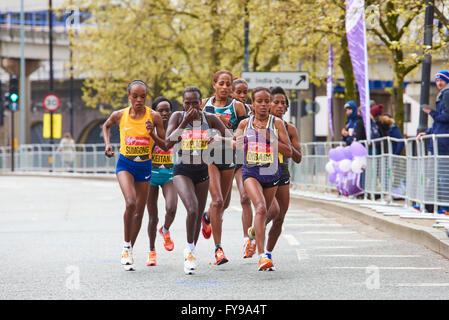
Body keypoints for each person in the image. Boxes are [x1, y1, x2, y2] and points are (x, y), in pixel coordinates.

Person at [102, 79, 167, 271]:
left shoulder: (153, 116)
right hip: (125, 164)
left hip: (145, 166)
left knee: (140, 211)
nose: (139, 100)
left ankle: (130, 249)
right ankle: (125, 245)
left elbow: (164, 145)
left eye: (143, 96)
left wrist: (152, 134)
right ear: (129, 96)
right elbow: (106, 126)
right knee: (130, 202)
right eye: (135, 96)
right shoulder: (120, 115)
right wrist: (107, 144)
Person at [165, 86, 229, 275]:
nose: (191, 106)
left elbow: (230, 137)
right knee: (192, 208)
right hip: (182, 170)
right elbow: (168, 142)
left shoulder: (209, 119)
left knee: (198, 212)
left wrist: (216, 139)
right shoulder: (177, 117)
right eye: (187, 103)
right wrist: (184, 121)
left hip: (202, 170)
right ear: (182, 104)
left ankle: (191, 249)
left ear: (201, 103)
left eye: (195, 103)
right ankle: (189, 251)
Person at [234, 86, 292, 271]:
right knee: (259, 207)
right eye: (260, 101)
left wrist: (269, 137)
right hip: (251, 172)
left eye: (267, 101)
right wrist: (229, 141)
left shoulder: (276, 124)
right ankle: (262, 256)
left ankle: (253, 234)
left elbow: (289, 151)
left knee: (268, 212)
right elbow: (236, 142)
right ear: (252, 104)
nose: (264, 105)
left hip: (272, 173)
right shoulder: (245, 124)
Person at [200, 70, 247, 265]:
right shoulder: (204, 104)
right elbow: (196, 127)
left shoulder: (238, 107)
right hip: (209, 156)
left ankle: (207, 216)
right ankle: (218, 249)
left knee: (225, 204)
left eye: (229, 84)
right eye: (222, 83)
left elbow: (245, 127)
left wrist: (235, 138)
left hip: (230, 157)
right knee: (217, 201)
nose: (225, 87)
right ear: (214, 85)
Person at [263, 86, 302, 270]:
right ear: (268, 105)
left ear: (286, 108)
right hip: (262, 172)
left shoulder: (290, 128)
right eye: (275, 102)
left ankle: (268, 254)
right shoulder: (258, 124)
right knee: (271, 211)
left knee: (280, 217)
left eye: (283, 103)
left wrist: (280, 144)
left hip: (283, 172)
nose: (279, 106)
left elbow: (298, 158)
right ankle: (256, 235)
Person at [145, 96, 178, 267]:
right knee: (152, 217)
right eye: (160, 111)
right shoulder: (150, 130)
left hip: (169, 175)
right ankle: (152, 251)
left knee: (171, 208)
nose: (164, 113)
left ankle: (165, 230)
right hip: (151, 175)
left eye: (167, 110)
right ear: (155, 113)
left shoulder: (176, 130)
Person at [417, 70, 449, 213]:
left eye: (441, 80)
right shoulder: (443, 94)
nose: (439, 83)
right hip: (439, 140)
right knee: (435, 175)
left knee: (442, 176)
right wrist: (428, 132)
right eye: (437, 80)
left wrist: (431, 113)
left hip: (443, 142)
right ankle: (430, 205)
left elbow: (445, 118)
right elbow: (440, 123)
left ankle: (443, 207)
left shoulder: (446, 94)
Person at [230, 78, 255, 258]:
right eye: (239, 92)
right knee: (221, 202)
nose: (243, 96)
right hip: (220, 157)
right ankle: (208, 216)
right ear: (231, 93)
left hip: (240, 158)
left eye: (245, 92)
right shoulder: (221, 107)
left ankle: (247, 239)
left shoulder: (250, 112)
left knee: (245, 197)